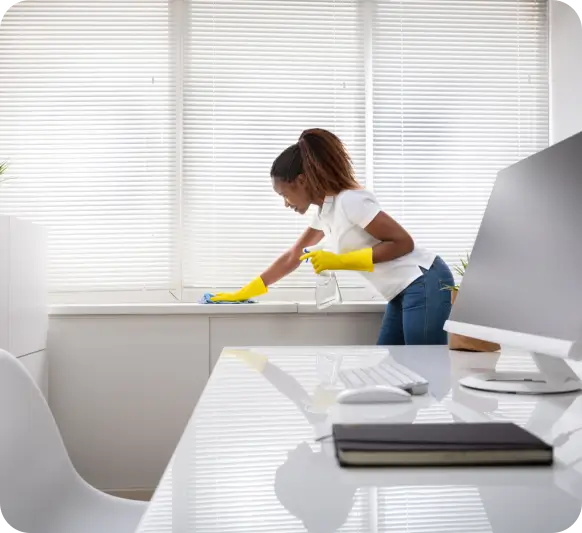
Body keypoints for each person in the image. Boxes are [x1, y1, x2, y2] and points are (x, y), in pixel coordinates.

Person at [212, 128, 454, 345]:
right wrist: (245, 291)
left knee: (424, 368)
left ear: (302, 180)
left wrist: (339, 261)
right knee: (390, 371)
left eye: (285, 195)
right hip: (399, 290)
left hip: (423, 279)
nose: (286, 204)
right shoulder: (325, 212)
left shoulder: (350, 201)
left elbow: (403, 242)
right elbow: (292, 256)